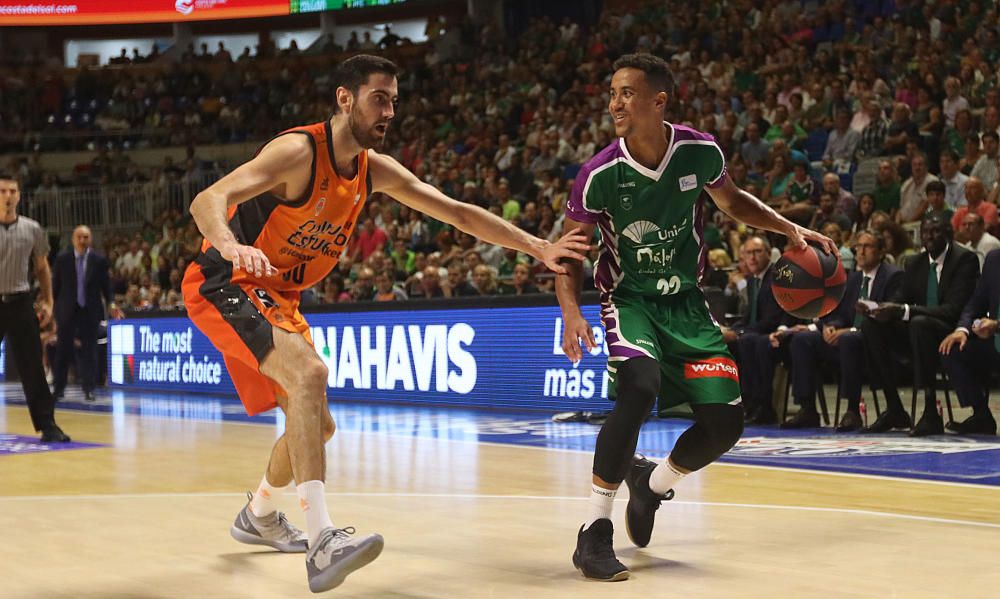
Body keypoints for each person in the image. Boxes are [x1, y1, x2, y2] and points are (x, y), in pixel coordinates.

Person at [180, 55, 588, 594]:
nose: (390, 110)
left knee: (316, 428)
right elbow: (208, 198)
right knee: (309, 375)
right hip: (226, 280)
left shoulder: (375, 169)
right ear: (346, 99)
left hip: (279, 294)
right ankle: (322, 539)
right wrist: (232, 246)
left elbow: (458, 212)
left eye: (394, 100)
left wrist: (537, 246)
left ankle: (257, 515)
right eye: (380, 97)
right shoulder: (299, 152)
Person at [554, 54, 834, 582]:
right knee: (638, 385)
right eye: (611, 92)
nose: (614, 103)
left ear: (658, 101)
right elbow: (567, 254)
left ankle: (651, 486)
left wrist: (786, 229)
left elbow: (733, 202)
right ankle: (593, 531)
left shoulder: (698, 151)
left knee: (725, 424)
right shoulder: (598, 175)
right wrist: (571, 311)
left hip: (686, 302)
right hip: (630, 300)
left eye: (627, 93)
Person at [861, 213, 980, 436]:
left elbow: (953, 310)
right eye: (925, 232)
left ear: (948, 233)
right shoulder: (915, 262)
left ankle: (930, 412)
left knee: (919, 323)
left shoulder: (965, 259)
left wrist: (903, 310)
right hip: (919, 331)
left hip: (952, 331)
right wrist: (882, 309)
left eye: (935, 231)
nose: (929, 237)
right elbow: (901, 296)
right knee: (871, 326)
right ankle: (895, 408)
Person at [783, 230, 902, 431]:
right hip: (846, 340)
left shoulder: (893, 276)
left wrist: (850, 330)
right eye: (858, 247)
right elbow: (840, 313)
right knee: (803, 339)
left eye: (867, 246)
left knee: (849, 340)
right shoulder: (853, 279)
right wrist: (831, 327)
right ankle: (807, 408)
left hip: (875, 343)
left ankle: (852, 410)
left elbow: (886, 316)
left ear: (881, 252)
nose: (861, 252)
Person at [0, 173, 70, 442]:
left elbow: (42, 267)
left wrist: (49, 300)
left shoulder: (32, 228)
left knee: (32, 366)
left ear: (18, 196)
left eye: (12, 191)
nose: (7, 196)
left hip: (20, 300)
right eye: (3, 191)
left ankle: (47, 425)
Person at [51, 225, 118, 402]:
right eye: (79, 237)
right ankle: (58, 389)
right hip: (66, 311)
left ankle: (89, 389)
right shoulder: (62, 259)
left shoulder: (99, 260)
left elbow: (106, 287)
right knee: (63, 350)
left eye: (86, 237)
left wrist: (111, 303)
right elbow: (55, 288)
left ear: (91, 239)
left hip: (89, 311)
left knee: (90, 351)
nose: (82, 241)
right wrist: (52, 309)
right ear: (73, 239)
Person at [939, 249, 1000, 435]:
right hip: (995, 343)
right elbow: (976, 301)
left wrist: (997, 325)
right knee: (952, 349)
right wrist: (962, 330)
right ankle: (981, 415)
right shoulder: (994, 259)